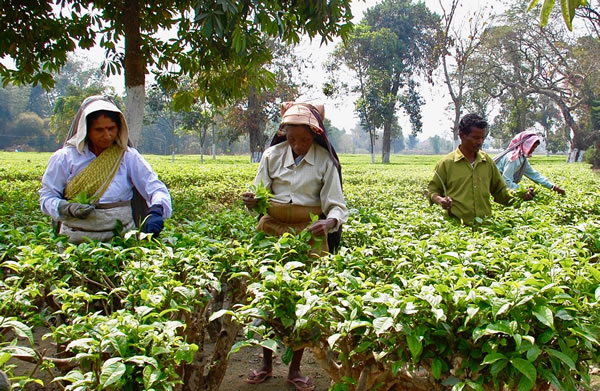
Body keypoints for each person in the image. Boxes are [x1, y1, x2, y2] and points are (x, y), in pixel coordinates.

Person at [241, 101, 348, 391]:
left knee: (301, 301)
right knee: (267, 297)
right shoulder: (271, 155)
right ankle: (265, 363)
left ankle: (295, 368)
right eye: (292, 139)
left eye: (304, 139)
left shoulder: (325, 162)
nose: (298, 145)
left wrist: (328, 223)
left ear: (315, 136)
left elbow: (337, 206)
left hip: (307, 233)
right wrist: (253, 201)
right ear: (283, 135)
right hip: (272, 230)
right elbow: (260, 196)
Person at [39, 95, 172, 243]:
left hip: (120, 238)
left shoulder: (127, 156)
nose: (107, 135)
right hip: (76, 239)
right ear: (86, 130)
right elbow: (47, 196)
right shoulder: (65, 158)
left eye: (111, 128)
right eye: (99, 130)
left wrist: (156, 211)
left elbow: (154, 187)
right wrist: (65, 208)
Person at [428, 113, 534, 224]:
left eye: (482, 138)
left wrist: (520, 194)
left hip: (485, 227)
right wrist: (441, 200)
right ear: (462, 135)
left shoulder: (486, 162)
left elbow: (500, 192)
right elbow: (433, 191)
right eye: (475, 138)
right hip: (457, 229)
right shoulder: (446, 163)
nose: (480, 142)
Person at [494, 130, 565, 195]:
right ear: (525, 144)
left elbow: (534, 175)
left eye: (534, 147)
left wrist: (553, 187)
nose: (533, 150)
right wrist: (523, 190)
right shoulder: (513, 157)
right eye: (531, 146)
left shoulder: (522, 159)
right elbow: (506, 180)